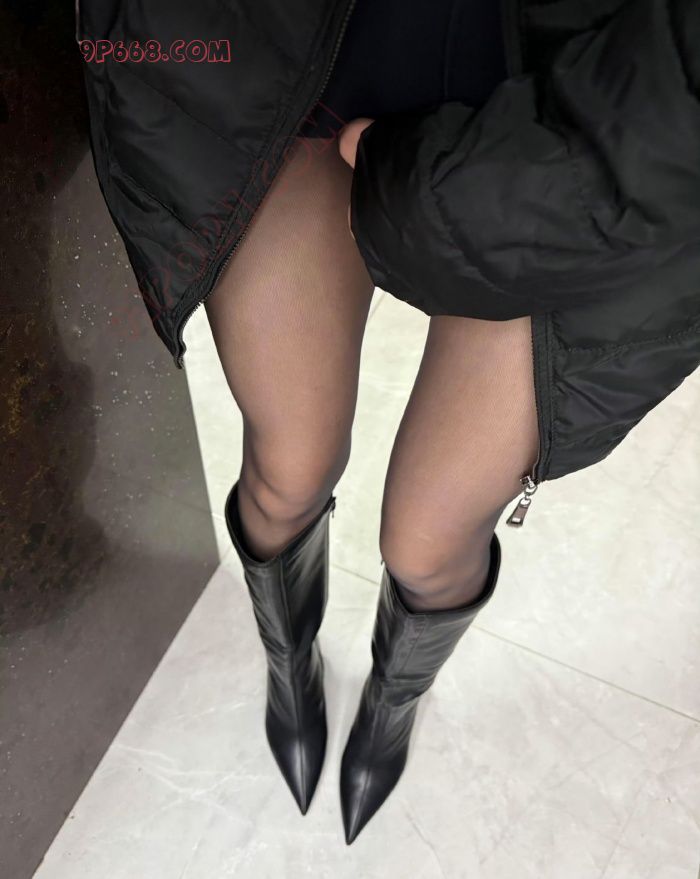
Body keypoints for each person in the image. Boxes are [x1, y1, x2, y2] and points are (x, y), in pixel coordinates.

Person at [78, 0, 700, 845]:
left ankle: (392, 701)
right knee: (286, 471)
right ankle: (289, 666)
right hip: (301, 41)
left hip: (595, 120)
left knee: (428, 544)